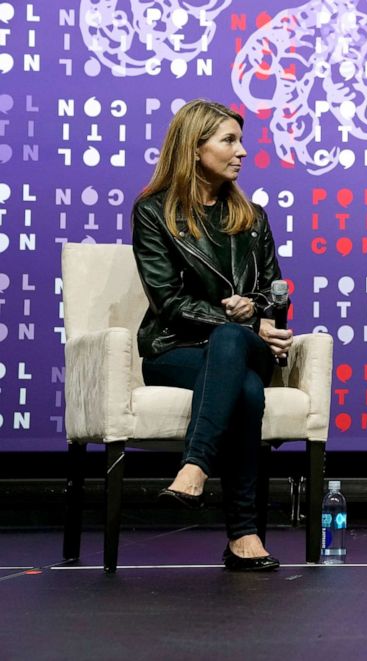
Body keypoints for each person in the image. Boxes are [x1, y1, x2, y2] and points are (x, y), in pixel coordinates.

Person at [131, 99, 294, 572]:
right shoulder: (153, 213)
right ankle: (244, 536)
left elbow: (274, 294)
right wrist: (242, 320)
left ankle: (194, 467)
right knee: (243, 390)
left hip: (245, 346)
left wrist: (258, 312)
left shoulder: (253, 217)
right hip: (174, 348)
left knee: (230, 344)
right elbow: (169, 302)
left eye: (240, 141)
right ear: (195, 147)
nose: (241, 152)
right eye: (229, 140)